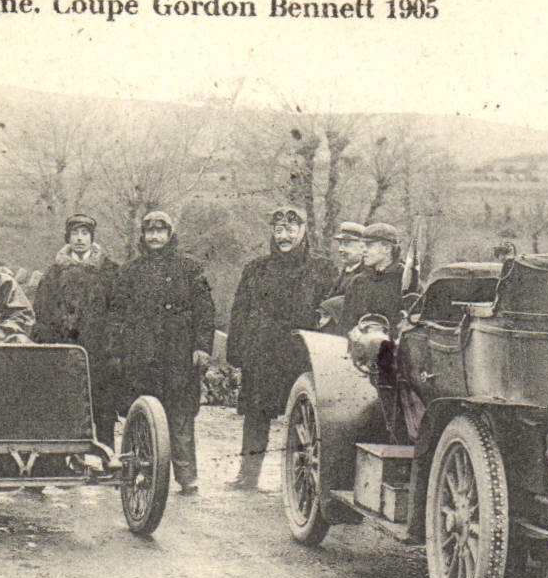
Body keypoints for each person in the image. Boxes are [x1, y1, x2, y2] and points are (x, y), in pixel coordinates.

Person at [224, 205, 336, 490]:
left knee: (304, 418)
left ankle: (301, 481)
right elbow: (240, 311)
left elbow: (331, 313)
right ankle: (248, 475)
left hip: (301, 356)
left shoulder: (323, 269)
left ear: (303, 232)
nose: (284, 236)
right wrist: (236, 350)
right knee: (255, 416)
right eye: (278, 230)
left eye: (290, 230)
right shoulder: (256, 269)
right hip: (262, 355)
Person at [106, 210, 215, 494]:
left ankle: (187, 476)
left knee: (180, 418)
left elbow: (205, 312)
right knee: (139, 415)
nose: (155, 236)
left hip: (178, 357)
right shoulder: (130, 271)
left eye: (160, 231)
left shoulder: (190, 269)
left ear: (170, 235)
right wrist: (115, 352)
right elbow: (116, 314)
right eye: (149, 231)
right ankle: (135, 472)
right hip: (140, 356)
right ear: (143, 236)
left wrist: (202, 347)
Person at [32, 213, 119, 444]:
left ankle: (106, 457)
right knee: (63, 405)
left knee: (103, 409)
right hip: (64, 351)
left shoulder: (109, 271)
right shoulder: (53, 273)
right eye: (75, 233)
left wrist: (111, 345)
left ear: (92, 238)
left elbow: (119, 311)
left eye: (85, 233)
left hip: (100, 352)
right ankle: (66, 459)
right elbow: (41, 312)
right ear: (67, 237)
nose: (79, 239)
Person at [341, 222, 405, 334]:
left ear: (387, 248)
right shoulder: (358, 282)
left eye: (369, 246)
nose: (363, 251)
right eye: (363, 246)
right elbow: (346, 323)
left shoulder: (406, 281)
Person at [318, 222, 369, 332]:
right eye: (340, 244)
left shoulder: (367, 276)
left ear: (362, 247)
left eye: (346, 244)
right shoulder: (344, 272)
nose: (340, 249)